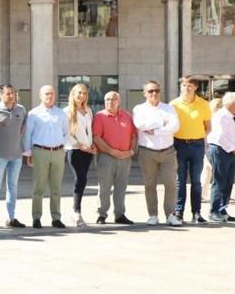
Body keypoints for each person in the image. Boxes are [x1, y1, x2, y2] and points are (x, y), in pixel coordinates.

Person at [132, 81, 181, 226]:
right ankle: (153, 215)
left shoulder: (169, 108)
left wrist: (155, 130)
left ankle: (170, 214)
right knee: (149, 184)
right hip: (147, 152)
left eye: (157, 90)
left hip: (168, 152)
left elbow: (175, 126)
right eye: (151, 91)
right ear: (145, 93)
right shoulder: (139, 109)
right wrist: (163, 124)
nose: (154, 93)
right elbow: (140, 125)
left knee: (171, 184)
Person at [23, 85, 69, 229]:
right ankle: (36, 218)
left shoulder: (61, 113)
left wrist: (63, 150)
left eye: (52, 94)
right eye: (47, 94)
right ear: (41, 96)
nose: (50, 96)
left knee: (56, 188)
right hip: (40, 152)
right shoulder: (33, 114)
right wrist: (28, 153)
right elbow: (28, 135)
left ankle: (56, 218)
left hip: (58, 152)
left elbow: (66, 133)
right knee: (39, 187)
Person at [0, 84, 27, 229]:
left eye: (13, 93)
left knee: (13, 187)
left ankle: (11, 217)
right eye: (8, 94)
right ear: (1, 95)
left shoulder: (21, 109)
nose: (11, 96)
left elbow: (22, 128)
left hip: (16, 155)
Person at [92, 90, 136, 225]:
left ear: (119, 101)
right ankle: (102, 214)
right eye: (107, 99)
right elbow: (96, 137)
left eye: (113, 99)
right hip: (106, 157)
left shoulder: (127, 117)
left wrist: (131, 151)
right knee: (104, 187)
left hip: (125, 158)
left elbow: (134, 135)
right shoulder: (99, 117)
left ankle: (120, 214)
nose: (110, 102)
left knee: (121, 187)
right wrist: (111, 151)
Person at [171, 76, 211, 224]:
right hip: (179, 144)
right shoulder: (174, 104)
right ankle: (179, 212)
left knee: (196, 180)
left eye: (189, 86)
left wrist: (197, 136)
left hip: (197, 145)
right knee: (180, 180)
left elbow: (208, 126)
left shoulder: (203, 104)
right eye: (183, 85)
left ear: (195, 88)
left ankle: (196, 213)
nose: (186, 88)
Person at [208, 93, 235, 223]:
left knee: (227, 182)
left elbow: (227, 136)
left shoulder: (228, 117)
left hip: (228, 151)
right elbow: (220, 137)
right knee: (219, 182)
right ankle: (214, 211)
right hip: (220, 150)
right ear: (233, 104)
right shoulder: (221, 116)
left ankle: (222, 209)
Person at [65, 83, 96, 227]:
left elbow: (90, 131)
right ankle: (76, 212)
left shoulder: (88, 110)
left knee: (83, 180)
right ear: (73, 94)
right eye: (79, 93)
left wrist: (91, 144)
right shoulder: (67, 111)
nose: (82, 96)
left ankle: (76, 210)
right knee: (80, 178)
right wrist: (80, 146)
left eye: (84, 93)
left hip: (88, 152)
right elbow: (66, 134)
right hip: (75, 150)